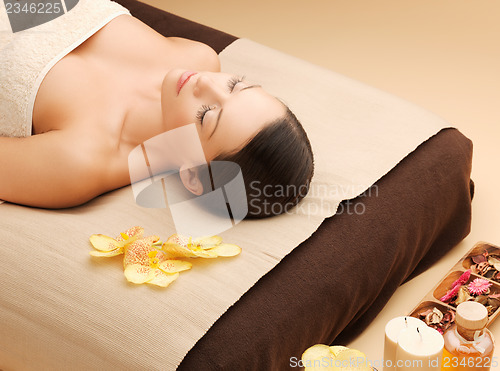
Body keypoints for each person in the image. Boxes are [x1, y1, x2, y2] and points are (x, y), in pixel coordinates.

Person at [0, 6, 313, 217]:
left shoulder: (80, 162)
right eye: (234, 85)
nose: (205, 82)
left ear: (191, 173)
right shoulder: (199, 57)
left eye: (206, 115)